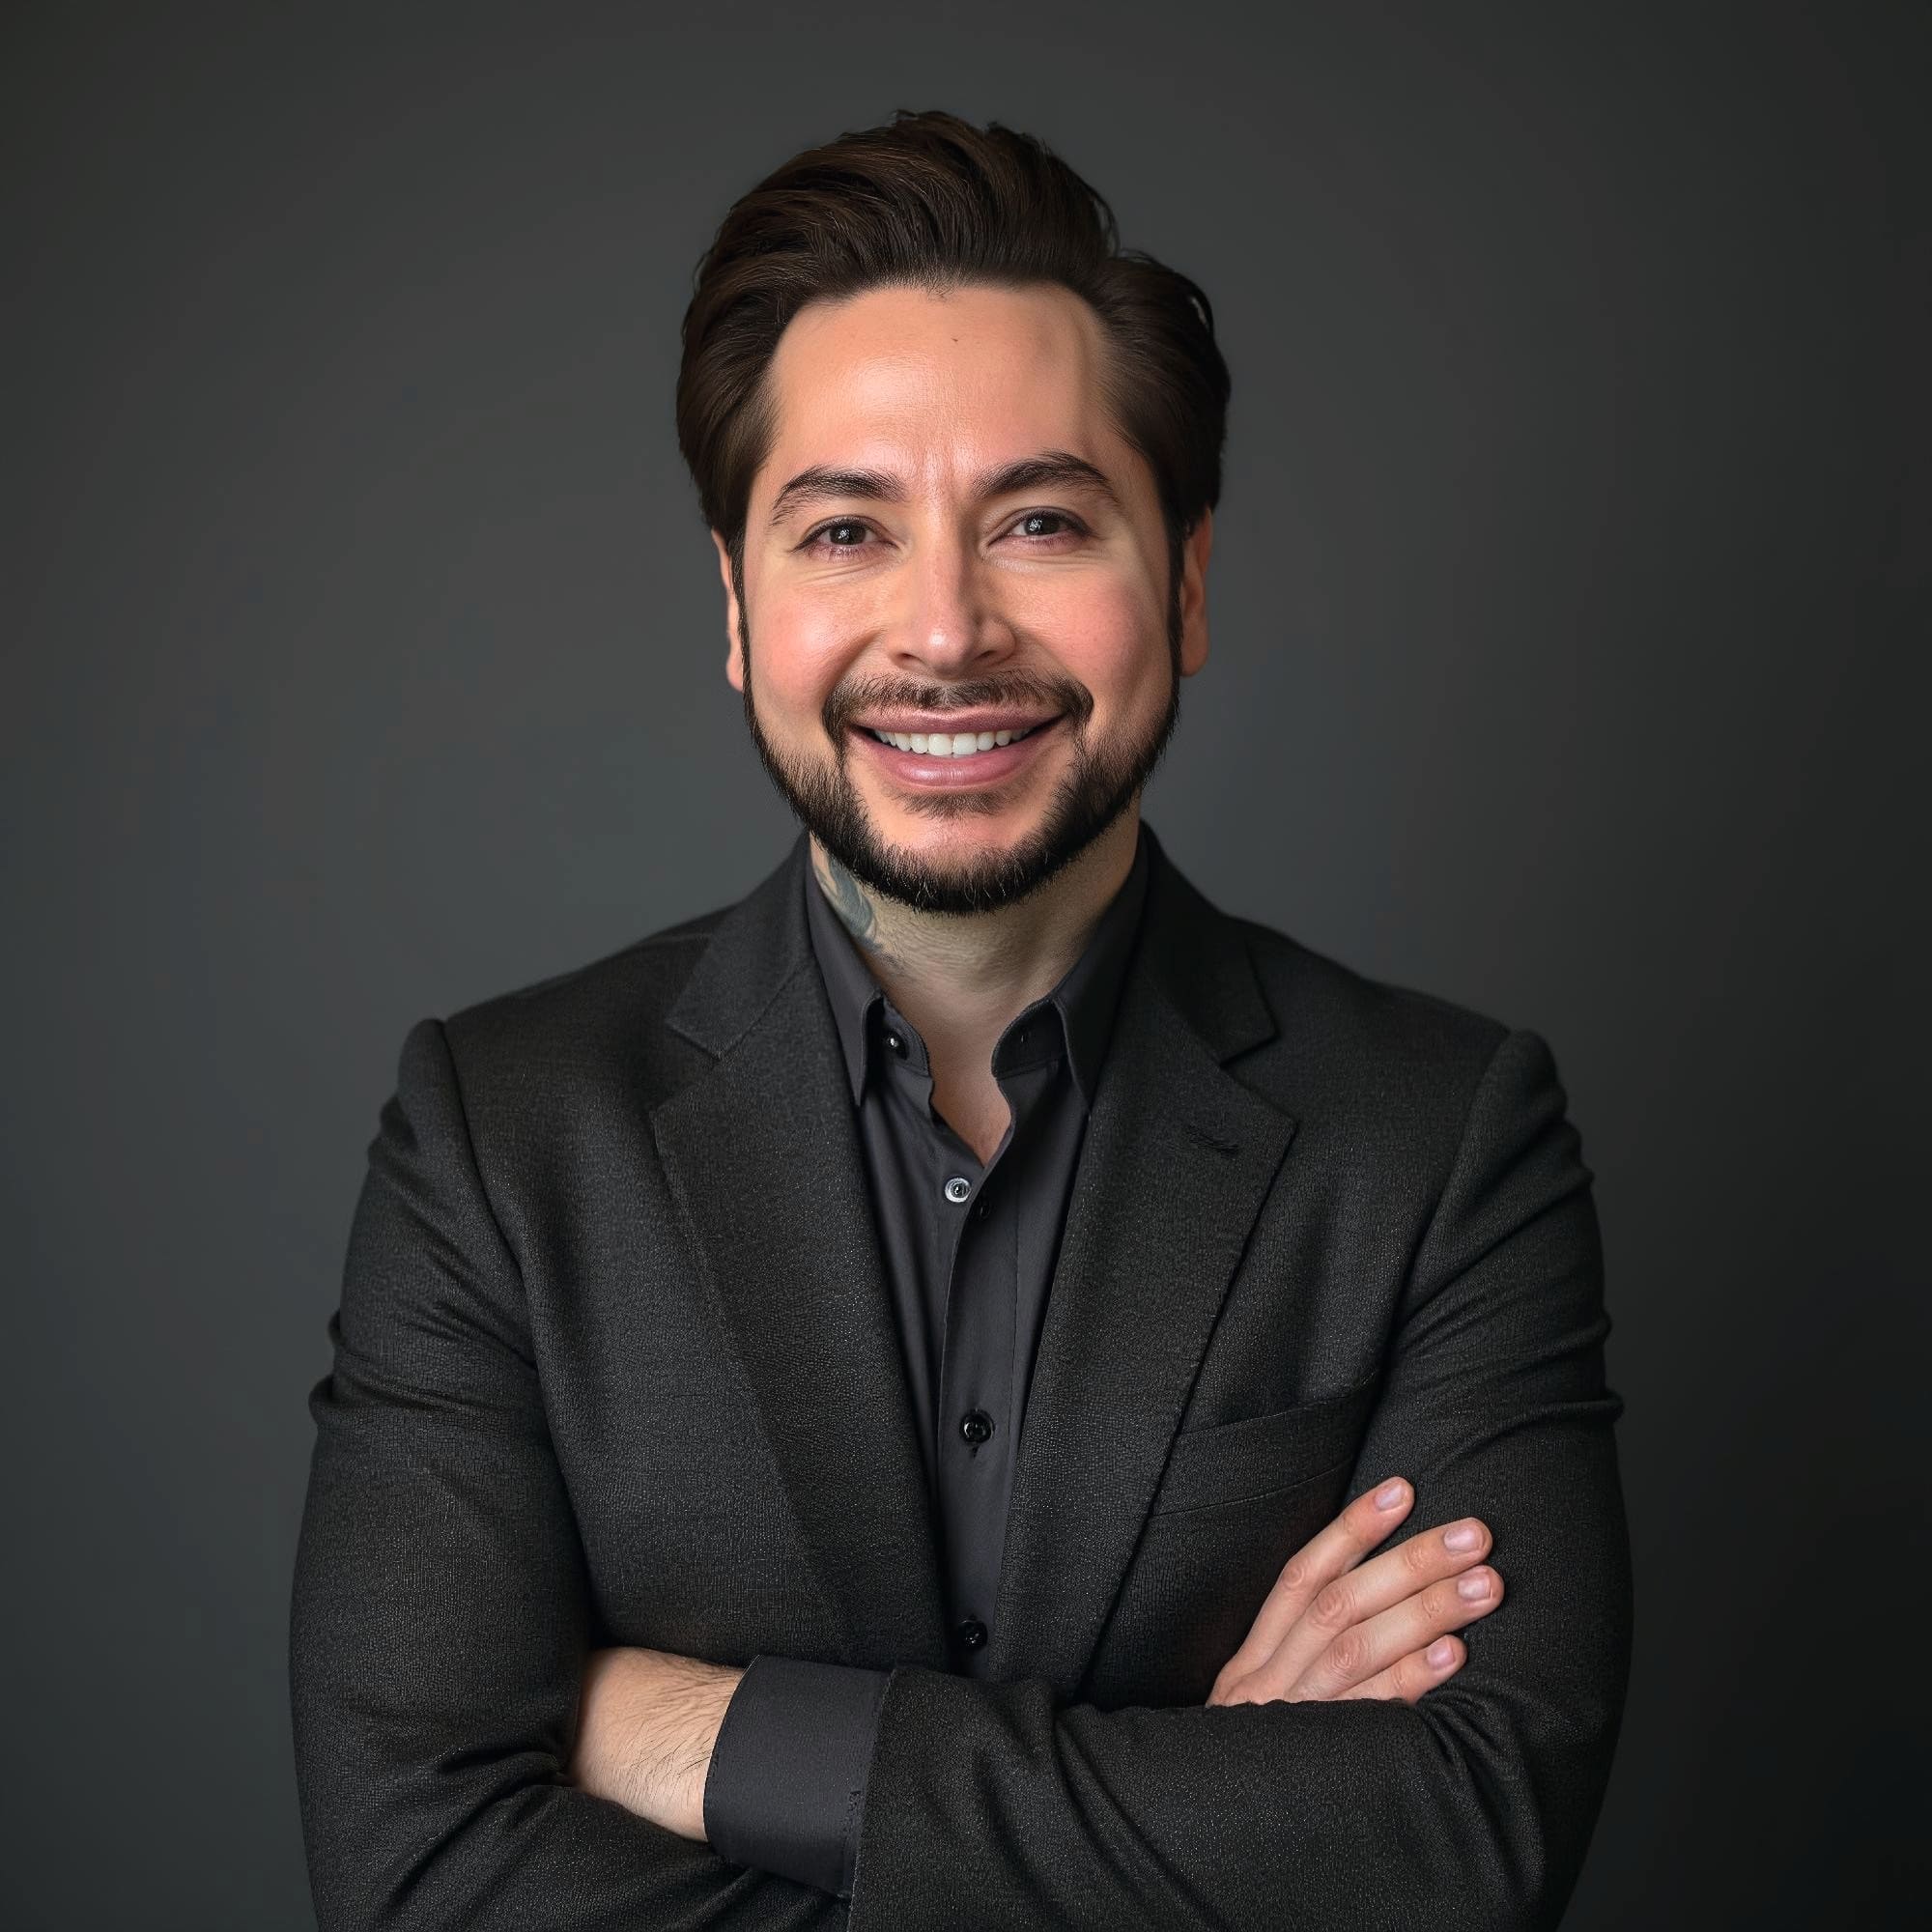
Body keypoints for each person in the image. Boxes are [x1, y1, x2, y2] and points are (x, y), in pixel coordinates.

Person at [290, 108, 1633, 1930]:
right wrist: (1219, 1816)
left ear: (1189, 582)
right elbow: (418, 1871)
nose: (944, 629)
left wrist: (704, 1735)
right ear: (740, 611)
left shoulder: (1446, 1136)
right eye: (845, 528)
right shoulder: (498, 1137)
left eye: (1042, 521)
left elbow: (1465, 1844)